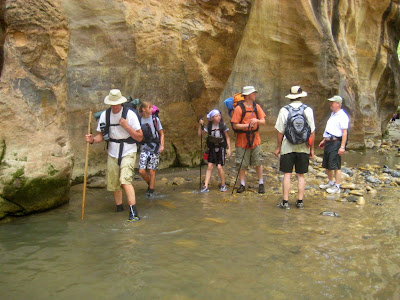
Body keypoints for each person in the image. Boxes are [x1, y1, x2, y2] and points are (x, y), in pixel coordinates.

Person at [85, 89, 143, 222]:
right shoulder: (105, 115)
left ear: (121, 102)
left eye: (117, 104)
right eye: (113, 104)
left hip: (128, 150)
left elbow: (140, 137)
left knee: (125, 180)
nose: (115, 106)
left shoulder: (130, 114)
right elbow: (101, 135)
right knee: (114, 183)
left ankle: (133, 212)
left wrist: (126, 126)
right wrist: (92, 140)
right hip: (113, 152)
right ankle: (119, 208)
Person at [274, 86, 316, 209]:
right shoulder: (308, 110)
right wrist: (312, 149)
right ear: (301, 96)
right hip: (303, 147)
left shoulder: (284, 110)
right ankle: (300, 201)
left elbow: (280, 131)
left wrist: (278, 147)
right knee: (300, 175)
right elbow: (312, 132)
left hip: (288, 146)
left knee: (287, 174)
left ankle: (285, 202)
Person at [231, 86, 266, 193]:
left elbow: (263, 121)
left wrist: (256, 121)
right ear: (248, 95)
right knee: (242, 163)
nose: (255, 94)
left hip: (255, 139)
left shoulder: (257, 107)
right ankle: (242, 184)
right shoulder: (239, 109)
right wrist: (247, 126)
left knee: (258, 161)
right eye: (253, 93)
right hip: (242, 140)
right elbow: (235, 125)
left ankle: (261, 183)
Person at [318, 95, 350, 194]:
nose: (330, 104)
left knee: (335, 165)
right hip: (329, 141)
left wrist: (342, 147)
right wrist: (324, 140)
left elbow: (344, 132)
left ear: (338, 104)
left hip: (336, 142)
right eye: (330, 102)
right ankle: (331, 182)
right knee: (327, 164)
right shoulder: (333, 114)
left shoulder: (342, 116)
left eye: (332, 102)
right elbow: (330, 130)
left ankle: (337, 186)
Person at [198, 109, 232, 192]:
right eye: (216, 116)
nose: (218, 117)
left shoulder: (222, 125)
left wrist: (229, 148)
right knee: (209, 166)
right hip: (212, 148)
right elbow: (200, 134)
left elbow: (227, 137)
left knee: (219, 167)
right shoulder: (209, 127)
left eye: (219, 115)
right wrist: (200, 125)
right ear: (212, 118)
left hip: (221, 148)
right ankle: (205, 186)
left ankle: (223, 185)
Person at [138, 101, 165, 198]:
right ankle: (150, 183)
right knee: (141, 171)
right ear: (143, 109)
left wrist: (162, 145)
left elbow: (161, 133)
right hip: (144, 147)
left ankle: (151, 191)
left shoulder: (155, 119)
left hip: (155, 147)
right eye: (149, 107)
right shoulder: (139, 120)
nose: (151, 109)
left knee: (152, 170)